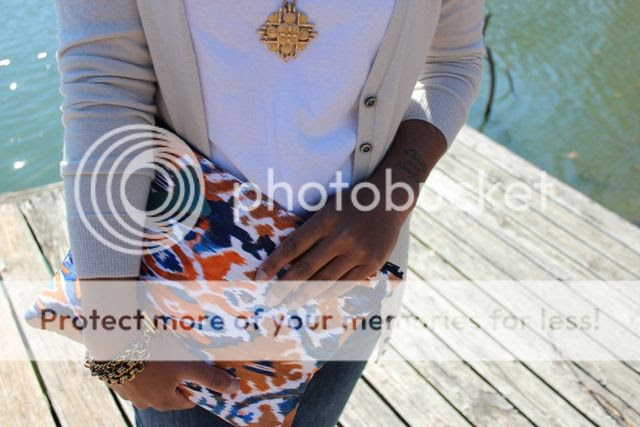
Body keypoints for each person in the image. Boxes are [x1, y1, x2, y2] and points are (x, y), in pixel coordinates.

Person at [54, 0, 484, 425]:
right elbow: (104, 89)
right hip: (179, 297)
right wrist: (113, 336)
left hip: (349, 282)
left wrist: (392, 192)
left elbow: (452, 63)